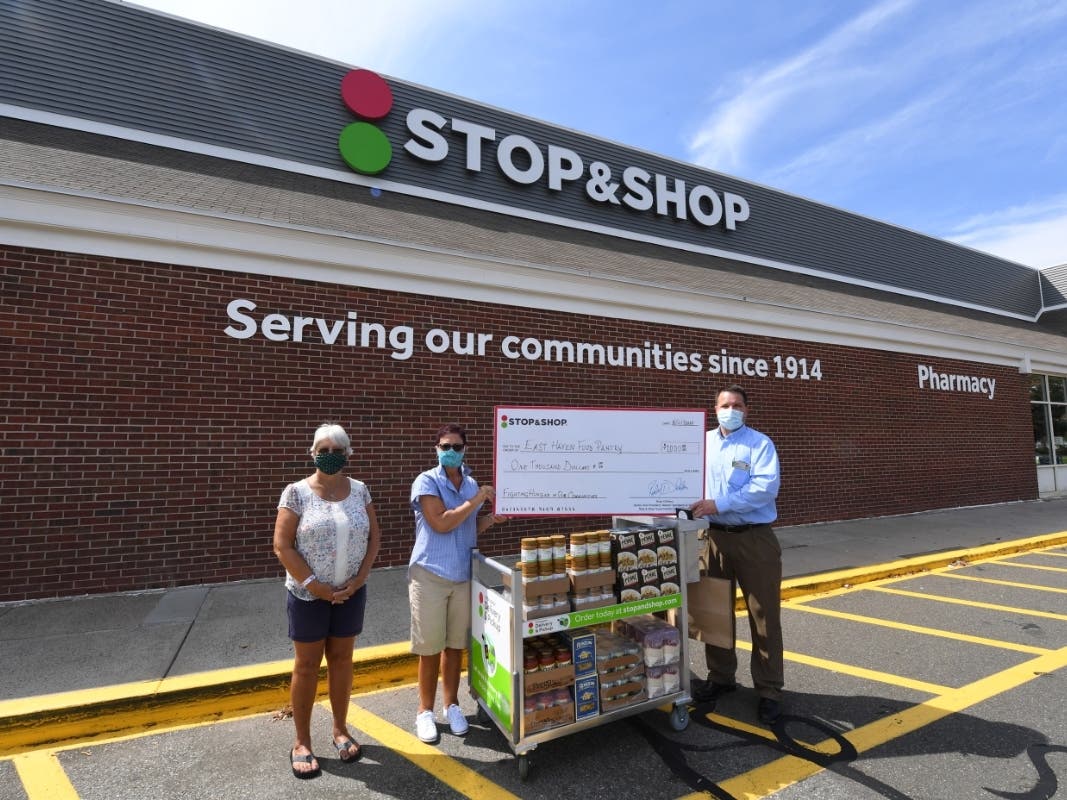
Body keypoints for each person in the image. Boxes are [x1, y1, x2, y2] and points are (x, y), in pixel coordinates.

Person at [273, 423, 381, 778]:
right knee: (307, 666)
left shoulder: (361, 491)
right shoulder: (296, 493)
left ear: (348, 455)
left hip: (350, 593)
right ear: (312, 452)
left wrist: (359, 579)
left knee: (342, 660)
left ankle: (340, 729)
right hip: (308, 595)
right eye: (324, 449)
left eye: (338, 450)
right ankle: (301, 741)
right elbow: (282, 545)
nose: (330, 455)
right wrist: (314, 585)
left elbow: (374, 540)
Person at [689, 384, 784, 724]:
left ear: (747, 410)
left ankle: (770, 689)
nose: (731, 409)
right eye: (725, 404)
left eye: (738, 404)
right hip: (712, 538)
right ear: (714, 409)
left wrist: (719, 503)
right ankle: (720, 678)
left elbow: (764, 489)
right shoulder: (701, 443)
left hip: (753, 539)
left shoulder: (759, 444)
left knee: (764, 616)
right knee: (713, 613)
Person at [408, 423, 507, 744]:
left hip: (462, 575)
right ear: (436, 449)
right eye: (445, 446)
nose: (451, 451)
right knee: (430, 648)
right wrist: (478, 499)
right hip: (430, 575)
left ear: (465, 450)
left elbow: (468, 528)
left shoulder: (471, 484)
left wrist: (491, 517)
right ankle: (425, 711)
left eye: (457, 446)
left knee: (454, 646)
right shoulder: (427, 481)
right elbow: (441, 523)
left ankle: (451, 705)